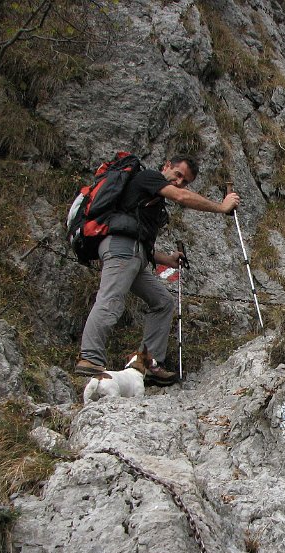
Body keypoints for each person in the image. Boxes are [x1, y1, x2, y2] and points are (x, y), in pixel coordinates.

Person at [74, 155, 240, 384]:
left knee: (162, 302)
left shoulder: (148, 197)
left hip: (133, 253)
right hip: (122, 250)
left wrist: (168, 260)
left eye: (186, 181)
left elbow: (138, 238)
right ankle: (90, 358)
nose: (180, 183)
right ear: (166, 167)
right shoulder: (148, 177)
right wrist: (222, 207)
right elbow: (181, 197)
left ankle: (149, 364)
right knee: (111, 299)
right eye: (178, 174)